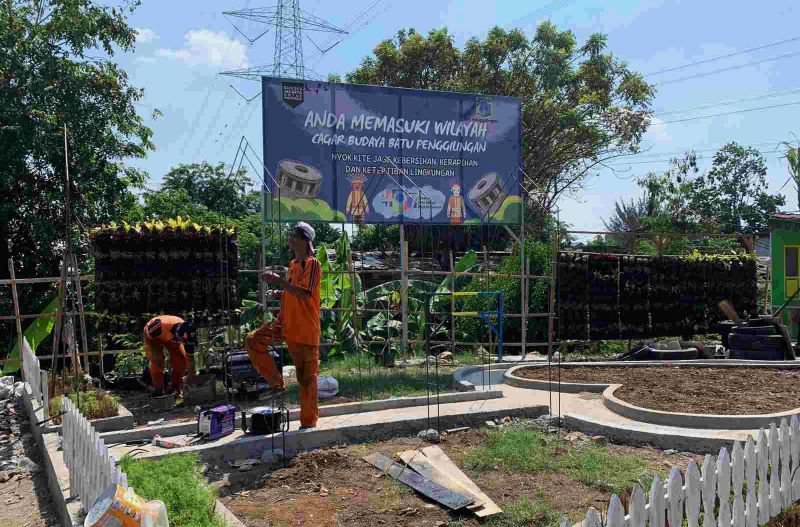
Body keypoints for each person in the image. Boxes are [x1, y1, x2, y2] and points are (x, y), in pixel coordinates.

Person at [245, 221, 322, 430]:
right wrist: (281, 292)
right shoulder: (293, 264)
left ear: (304, 240)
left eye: (293, 235)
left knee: (306, 379)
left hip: (305, 329)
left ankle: (308, 425)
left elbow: (305, 293)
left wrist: (279, 282)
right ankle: (276, 383)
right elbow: (294, 290)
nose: (290, 238)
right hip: (285, 324)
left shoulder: (312, 263)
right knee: (253, 341)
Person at [142, 315, 197, 396]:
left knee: (181, 358)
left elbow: (190, 357)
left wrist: (191, 376)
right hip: (155, 336)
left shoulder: (189, 335)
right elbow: (152, 348)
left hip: (170, 336)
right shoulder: (154, 329)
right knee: (157, 360)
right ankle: (158, 389)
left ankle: (176, 387)